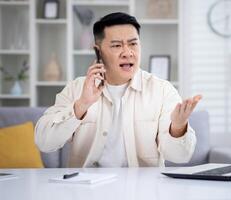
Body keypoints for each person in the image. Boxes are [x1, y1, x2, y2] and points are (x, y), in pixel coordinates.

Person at [35, 12, 202, 168]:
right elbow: (44, 142)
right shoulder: (76, 88)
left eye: (133, 44)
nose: (127, 52)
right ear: (98, 51)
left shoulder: (162, 90)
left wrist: (178, 127)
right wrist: (81, 105)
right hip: (86, 190)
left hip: (143, 190)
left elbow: (180, 157)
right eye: (116, 45)